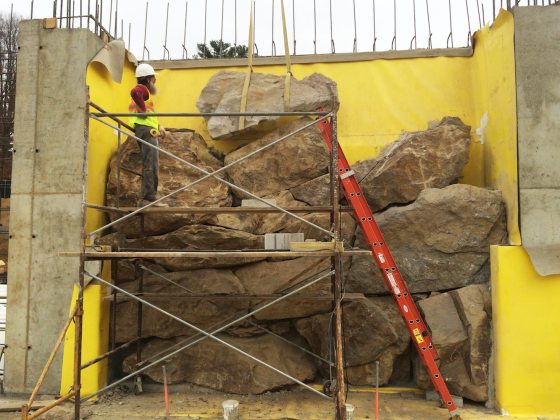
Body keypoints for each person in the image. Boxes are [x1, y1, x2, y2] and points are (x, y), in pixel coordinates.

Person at [129, 63, 167, 207]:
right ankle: (148, 198)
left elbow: (150, 114)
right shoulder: (142, 89)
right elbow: (134, 92)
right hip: (145, 129)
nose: (155, 81)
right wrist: (142, 110)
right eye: (153, 78)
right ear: (148, 79)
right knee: (150, 164)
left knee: (151, 163)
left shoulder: (146, 93)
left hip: (148, 128)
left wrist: (158, 126)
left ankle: (149, 197)